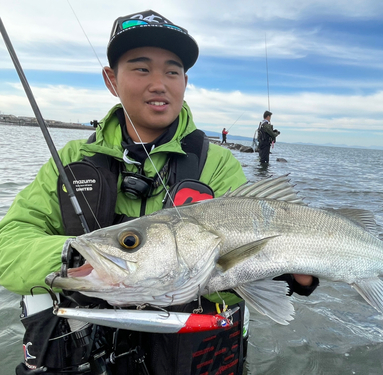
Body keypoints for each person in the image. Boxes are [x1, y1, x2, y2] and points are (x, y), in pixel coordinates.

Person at [0, 10, 317, 375]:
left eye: (172, 71)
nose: (159, 83)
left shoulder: (217, 164)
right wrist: (78, 259)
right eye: (140, 68)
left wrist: (286, 276)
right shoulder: (71, 161)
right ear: (110, 79)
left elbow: (240, 270)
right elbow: (8, 248)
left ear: (184, 81)